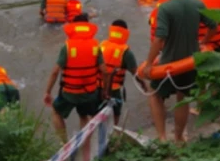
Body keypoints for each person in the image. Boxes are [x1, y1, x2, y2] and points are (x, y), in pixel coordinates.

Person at [143, 0, 217, 144]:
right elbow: (214, 26)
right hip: (190, 62)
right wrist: (203, 42)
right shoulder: (197, 4)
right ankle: (178, 138)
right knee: (182, 98)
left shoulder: (166, 8)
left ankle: (161, 137)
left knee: (154, 95)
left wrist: (148, 64)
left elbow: (159, 38)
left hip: (170, 62)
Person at [44, 14, 109, 142]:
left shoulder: (67, 46)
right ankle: (84, 142)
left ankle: (64, 143)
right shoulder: (95, 46)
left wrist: (47, 92)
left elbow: (55, 72)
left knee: (56, 112)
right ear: (88, 25)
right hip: (89, 92)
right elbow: (105, 71)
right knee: (84, 115)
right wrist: (104, 91)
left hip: (70, 92)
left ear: (73, 26)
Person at [100, 19, 146, 126]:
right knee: (115, 114)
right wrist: (144, 85)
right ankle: (113, 133)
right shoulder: (126, 52)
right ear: (125, 33)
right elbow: (136, 73)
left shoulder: (102, 45)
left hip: (97, 87)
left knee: (97, 115)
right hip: (114, 89)